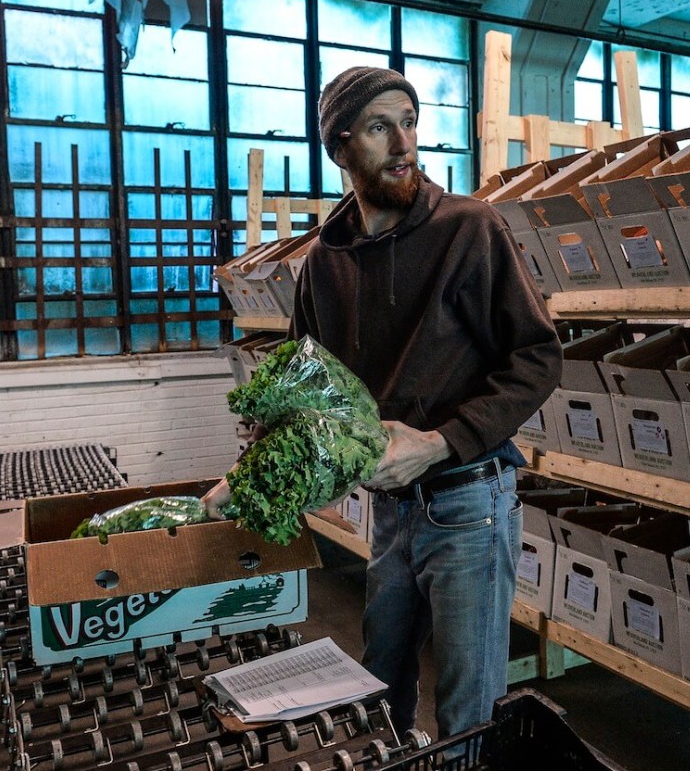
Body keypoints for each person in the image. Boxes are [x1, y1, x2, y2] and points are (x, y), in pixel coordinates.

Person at [206, 66, 561, 740]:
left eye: (411, 122)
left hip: (468, 501)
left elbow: (538, 356)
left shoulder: (470, 230)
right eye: (380, 127)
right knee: (380, 686)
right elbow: (308, 400)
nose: (405, 143)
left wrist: (440, 440)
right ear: (342, 148)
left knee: (467, 709)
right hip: (391, 510)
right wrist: (242, 480)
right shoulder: (321, 265)